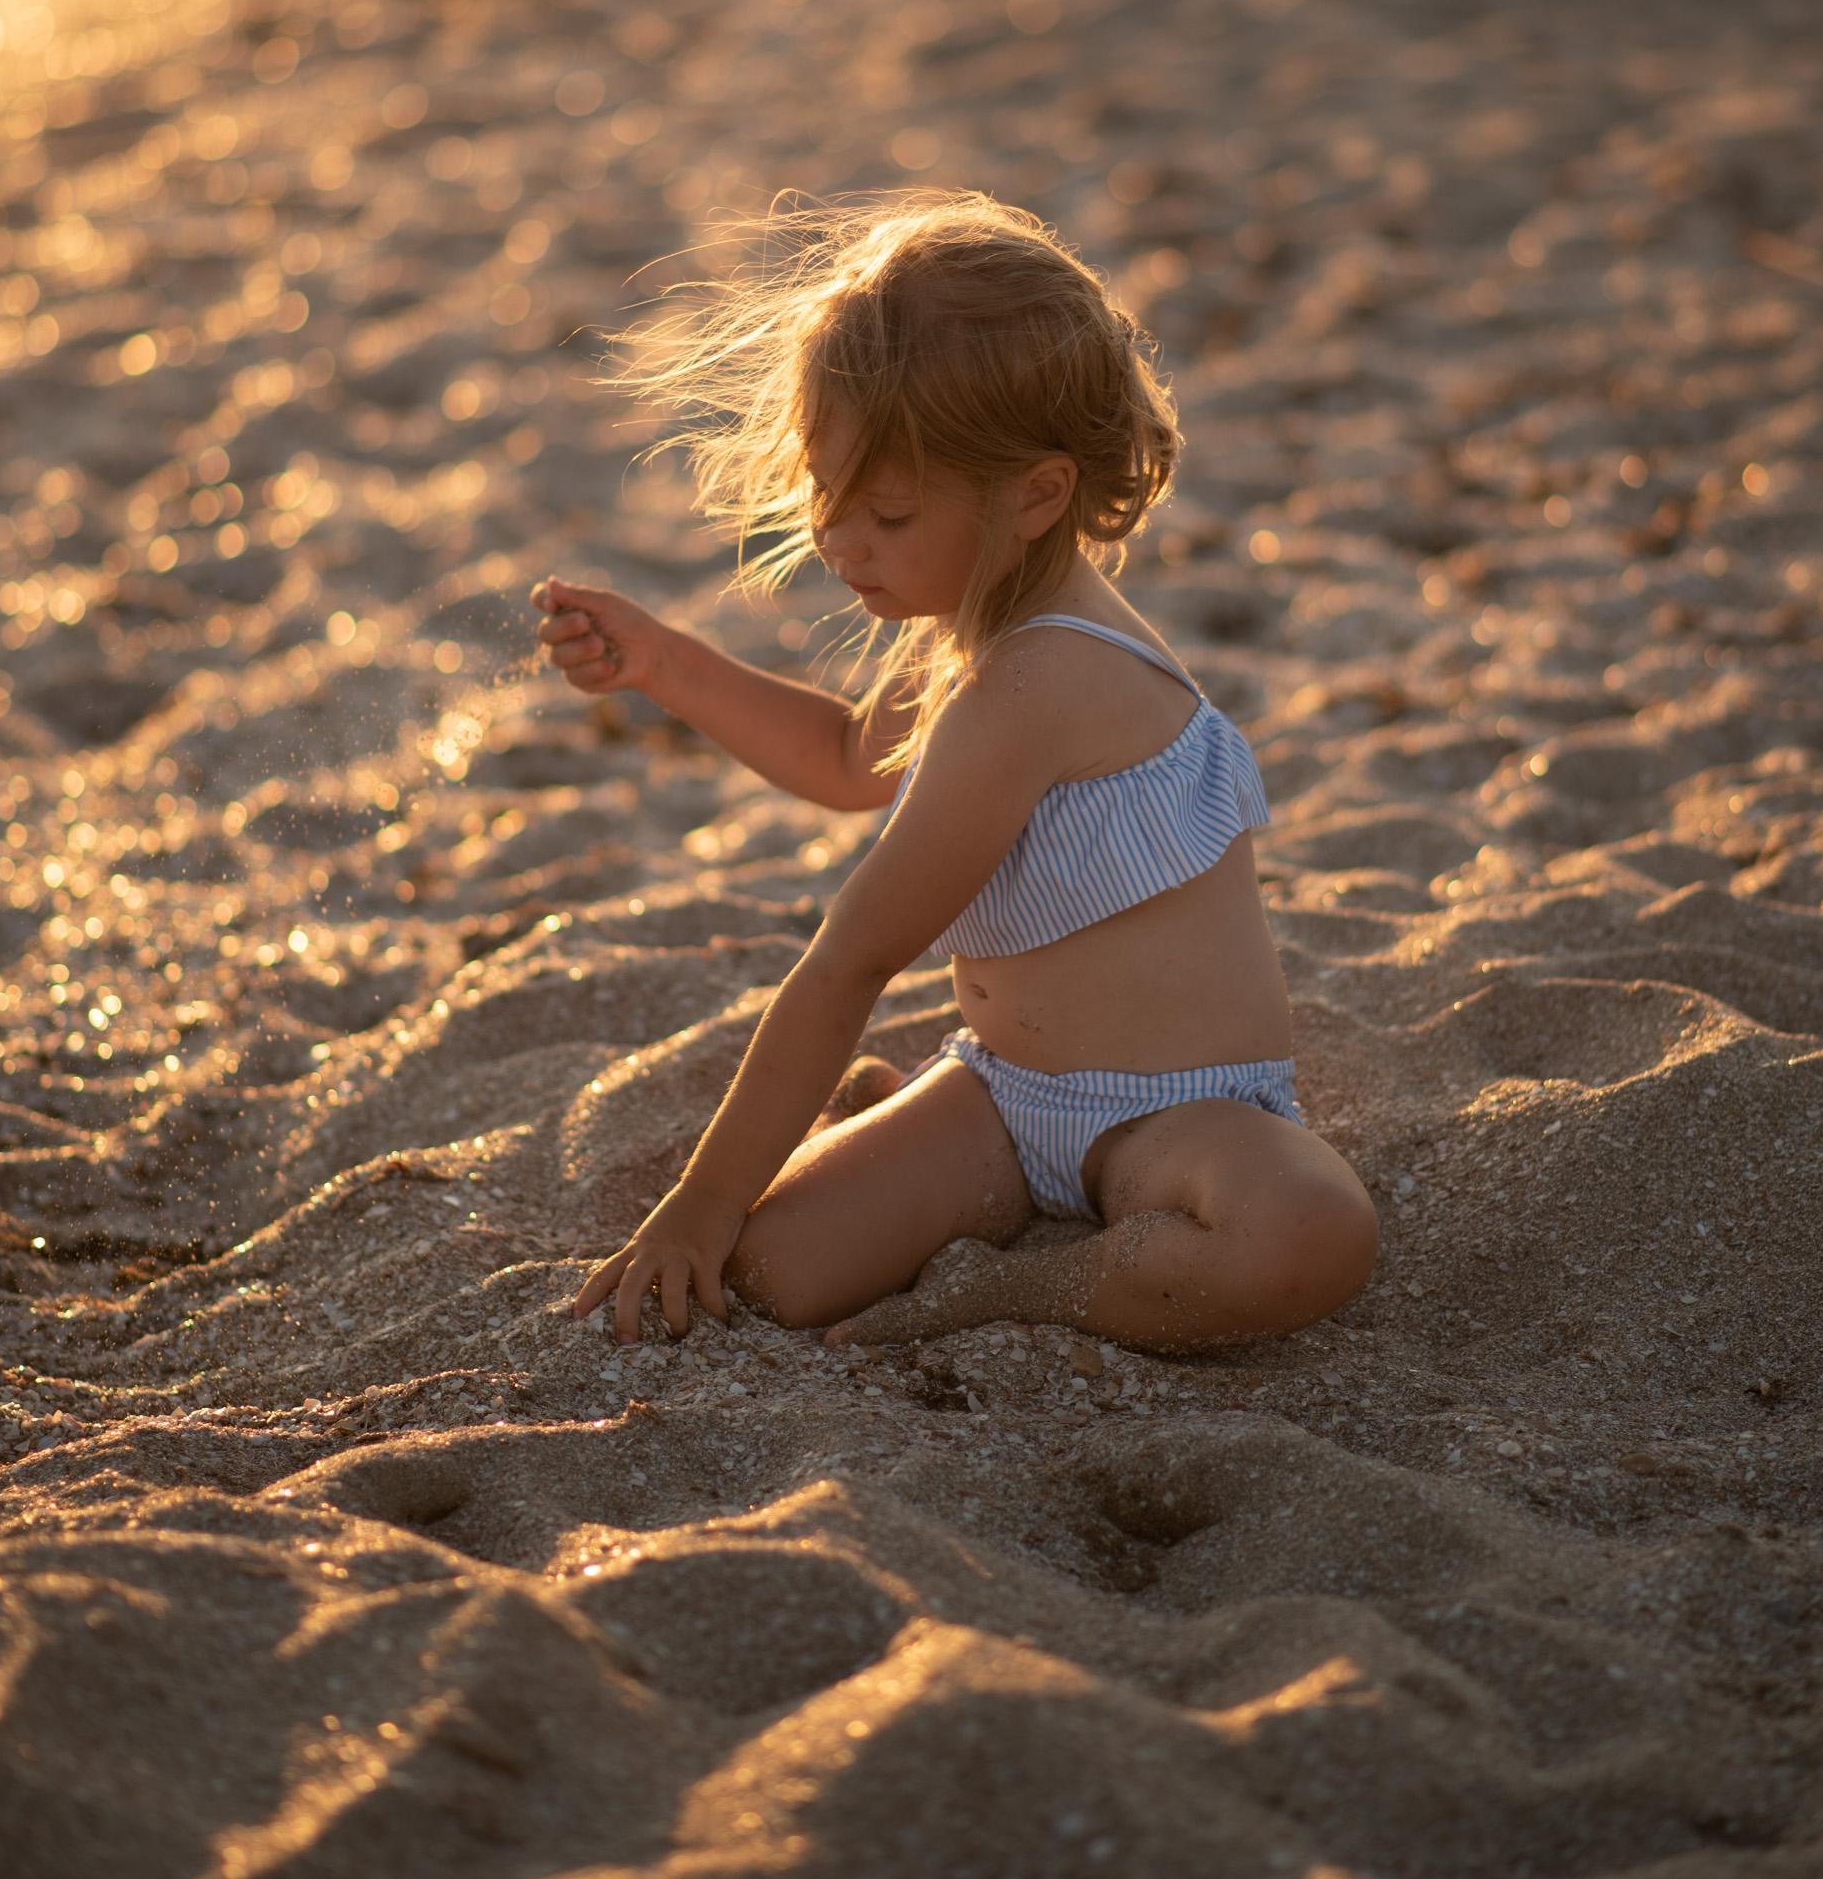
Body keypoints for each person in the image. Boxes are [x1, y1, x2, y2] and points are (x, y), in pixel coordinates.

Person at [533, 191, 1376, 1355]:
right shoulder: (976, 630)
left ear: (1034, 494)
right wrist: (663, 663)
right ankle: (909, 1137)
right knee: (777, 1275)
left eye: (884, 511)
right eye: (825, 496)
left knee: (1304, 1232)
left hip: (1180, 1118)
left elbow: (852, 959)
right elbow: (841, 758)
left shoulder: (1038, 686)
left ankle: (1013, 1289)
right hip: (1003, 1098)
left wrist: (701, 1198)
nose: (837, 542)